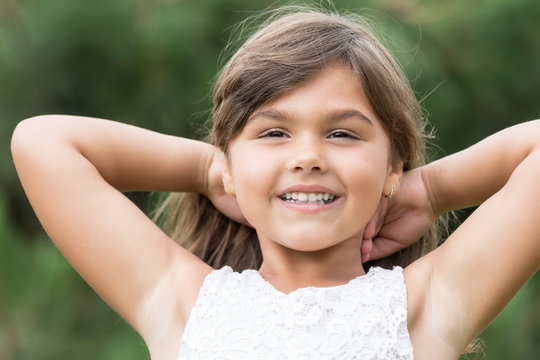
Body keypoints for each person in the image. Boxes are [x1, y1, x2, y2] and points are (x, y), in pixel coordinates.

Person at [10, 6, 540, 360]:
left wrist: (426, 191)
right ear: (231, 165)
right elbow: (42, 142)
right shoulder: (182, 301)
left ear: (390, 167)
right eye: (273, 133)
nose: (307, 157)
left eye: (341, 133)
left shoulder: (427, 305)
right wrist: (206, 169)